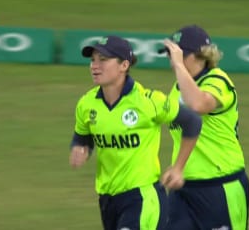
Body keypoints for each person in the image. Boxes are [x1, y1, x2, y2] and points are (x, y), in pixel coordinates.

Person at [69, 35, 202, 230]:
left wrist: (178, 168)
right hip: (108, 200)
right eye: (92, 60)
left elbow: (192, 121)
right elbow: (83, 137)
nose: (95, 66)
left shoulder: (148, 101)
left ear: (124, 65)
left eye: (103, 60)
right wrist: (80, 149)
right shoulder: (86, 104)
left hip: (142, 198)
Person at [159, 25, 249, 230]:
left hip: (221, 187)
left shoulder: (218, 80)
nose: (172, 61)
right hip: (183, 188)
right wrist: (177, 168)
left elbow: (199, 105)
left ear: (201, 55)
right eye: (170, 56)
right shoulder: (177, 89)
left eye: (179, 55)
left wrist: (179, 67)